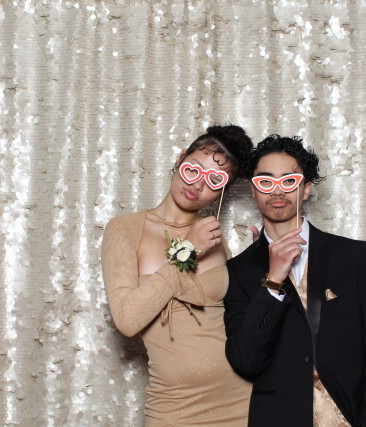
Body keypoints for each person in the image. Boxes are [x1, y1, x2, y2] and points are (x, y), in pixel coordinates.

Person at [224, 135, 366, 427]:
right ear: (254, 191)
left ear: (306, 189)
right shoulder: (238, 271)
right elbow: (246, 360)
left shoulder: (354, 257)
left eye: (289, 181)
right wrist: (273, 281)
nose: (277, 190)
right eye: (266, 182)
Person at [101, 125, 253, 426]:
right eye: (193, 169)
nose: (198, 184)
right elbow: (127, 320)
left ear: (222, 191)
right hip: (174, 407)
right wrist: (187, 250)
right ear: (180, 159)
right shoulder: (126, 228)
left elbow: (239, 317)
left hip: (242, 401)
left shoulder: (215, 237)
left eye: (214, 180)